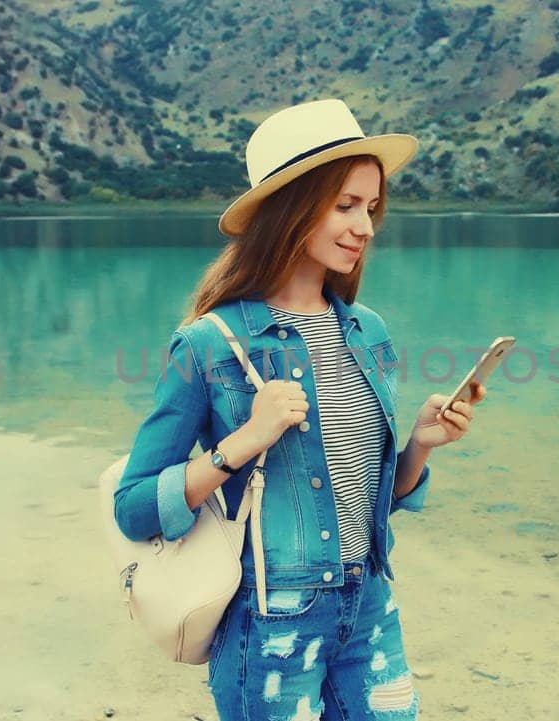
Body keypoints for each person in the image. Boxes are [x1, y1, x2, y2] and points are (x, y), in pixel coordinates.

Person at [112, 98, 484, 720]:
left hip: (368, 605)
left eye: (370, 208)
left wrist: (418, 443)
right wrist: (243, 442)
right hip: (270, 619)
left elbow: (374, 499)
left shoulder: (369, 333)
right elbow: (134, 507)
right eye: (344, 206)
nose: (365, 227)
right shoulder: (206, 344)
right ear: (289, 211)